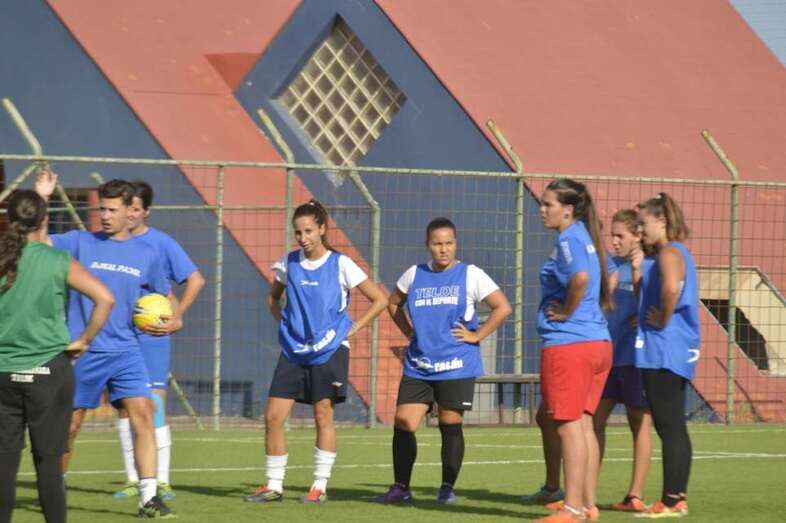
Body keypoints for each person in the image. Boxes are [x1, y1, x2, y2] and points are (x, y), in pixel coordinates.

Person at [34, 172, 177, 519]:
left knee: (143, 415)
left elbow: (165, 296)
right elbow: (38, 242)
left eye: (113, 210)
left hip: (127, 351)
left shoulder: (148, 253)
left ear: (131, 212)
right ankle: (54, 490)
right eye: (103, 209)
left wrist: (175, 320)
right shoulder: (80, 242)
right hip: (82, 352)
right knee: (69, 427)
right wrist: (42, 198)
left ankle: (149, 498)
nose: (106, 216)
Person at [245, 199, 387, 505]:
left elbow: (380, 300)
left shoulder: (341, 264)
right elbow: (273, 298)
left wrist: (353, 328)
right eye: (298, 232)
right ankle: (274, 485)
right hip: (294, 350)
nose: (303, 237)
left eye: (308, 231)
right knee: (273, 416)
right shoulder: (288, 263)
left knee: (323, 414)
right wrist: (285, 325)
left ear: (322, 229)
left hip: (329, 350)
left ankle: (319, 486)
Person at [374, 217, 512, 505]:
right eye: (437, 244)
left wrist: (477, 335)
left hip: (456, 365)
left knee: (449, 423)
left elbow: (502, 307)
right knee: (403, 421)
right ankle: (401, 487)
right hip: (419, 365)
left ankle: (447, 488)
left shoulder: (471, 274)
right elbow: (393, 303)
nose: (444, 249)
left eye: (449, 243)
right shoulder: (414, 274)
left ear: (455, 244)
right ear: (428, 245)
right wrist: (409, 332)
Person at [0, 189, 113, 523]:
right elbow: (105, 299)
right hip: (49, 374)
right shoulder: (57, 260)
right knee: (49, 467)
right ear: (44, 220)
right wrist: (84, 340)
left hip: (3, 374)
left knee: (4, 466)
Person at [113, 181, 206, 502]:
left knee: (153, 407)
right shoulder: (111, 243)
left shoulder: (161, 243)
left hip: (152, 336)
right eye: (127, 208)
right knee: (125, 409)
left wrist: (176, 315)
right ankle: (133, 479)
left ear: (146, 211)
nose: (131, 214)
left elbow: (196, 279)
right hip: (121, 336)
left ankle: (162, 481)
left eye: (137, 209)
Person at [534, 179, 612, 523]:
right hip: (597, 343)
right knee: (583, 425)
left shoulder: (568, 239)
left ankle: (573, 508)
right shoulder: (585, 237)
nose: (542, 209)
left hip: (570, 345)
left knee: (567, 427)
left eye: (548, 204)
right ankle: (587, 504)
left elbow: (580, 278)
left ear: (568, 209)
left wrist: (566, 310)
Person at [634, 193, 699, 518]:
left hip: (663, 348)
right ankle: (677, 497)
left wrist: (662, 317)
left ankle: (670, 501)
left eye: (643, 224)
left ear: (661, 221)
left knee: (668, 425)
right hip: (673, 348)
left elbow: (672, 288)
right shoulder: (676, 252)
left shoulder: (670, 252)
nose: (640, 230)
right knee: (674, 425)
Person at [592, 209, 653, 512]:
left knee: (638, 422)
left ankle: (635, 495)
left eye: (620, 236)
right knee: (593, 422)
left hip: (635, 358)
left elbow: (661, 305)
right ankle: (584, 494)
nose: (614, 241)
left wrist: (644, 315)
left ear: (637, 236)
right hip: (606, 356)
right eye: (612, 235)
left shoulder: (649, 266)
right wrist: (607, 289)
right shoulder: (607, 265)